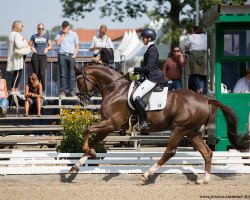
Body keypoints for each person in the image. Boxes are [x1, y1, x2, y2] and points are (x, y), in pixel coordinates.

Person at [128, 28, 164, 130]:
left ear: (149, 38)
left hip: (153, 78)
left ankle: (144, 121)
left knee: (136, 96)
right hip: (149, 76)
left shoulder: (152, 50)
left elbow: (148, 68)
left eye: (143, 38)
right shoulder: (149, 49)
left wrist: (135, 69)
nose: (142, 40)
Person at [55, 21, 79, 97]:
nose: (64, 28)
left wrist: (74, 55)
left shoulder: (74, 34)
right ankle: (62, 92)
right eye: (63, 27)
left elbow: (77, 45)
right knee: (62, 74)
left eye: (65, 27)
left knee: (71, 74)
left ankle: (72, 91)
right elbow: (58, 43)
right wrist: (63, 35)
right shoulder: (59, 33)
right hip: (62, 55)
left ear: (69, 27)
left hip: (71, 56)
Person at [29, 23, 52, 96]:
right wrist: (32, 48)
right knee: (36, 74)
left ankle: (43, 91)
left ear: (44, 29)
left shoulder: (46, 36)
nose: (41, 30)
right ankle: (36, 90)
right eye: (39, 28)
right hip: (35, 56)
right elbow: (29, 45)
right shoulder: (34, 36)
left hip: (43, 56)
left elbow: (50, 46)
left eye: (42, 28)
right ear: (37, 29)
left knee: (42, 73)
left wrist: (47, 48)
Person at [7, 20, 29, 92]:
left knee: (16, 74)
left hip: (14, 57)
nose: (22, 27)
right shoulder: (16, 34)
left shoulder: (11, 34)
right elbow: (19, 45)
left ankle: (14, 90)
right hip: (17, 58)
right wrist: (24, 41)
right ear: (17, 26)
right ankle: (14, 90)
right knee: (18, 74)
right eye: (21, 25)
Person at [185, 26, 208, 95]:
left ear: (194, 30)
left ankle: (198, 89)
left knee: (194, 73)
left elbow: (186, 46)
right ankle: (205, 91)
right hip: (204, 54)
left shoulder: (191, 36)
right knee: (204, 74)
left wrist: (187, 48)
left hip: (194, 55)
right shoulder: (205, 36)